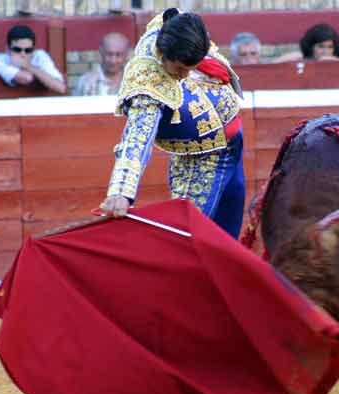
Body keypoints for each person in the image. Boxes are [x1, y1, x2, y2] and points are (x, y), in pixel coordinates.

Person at [99, 8, 246, 238]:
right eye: (180, 68)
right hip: (199, 162)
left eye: (192, 67)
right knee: (186, 241)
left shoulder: (181, 29)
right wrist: (121, 191)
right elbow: (137, 137)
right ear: (164, 54)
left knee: (228, 241)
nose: (186, 75)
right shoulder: (147, 79)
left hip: (234, 146)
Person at [0, 25, 66, 94]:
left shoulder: (39, 56)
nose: (23, 54)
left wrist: (28, 67)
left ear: (33, 50)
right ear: (7, 49)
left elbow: (60, 87)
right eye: (17, 49)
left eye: (28, 50)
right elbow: (27, 78)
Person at [73, 32, 129, 96]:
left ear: (126, 55)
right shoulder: (85, 82)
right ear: (101, 52)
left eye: (118, 55)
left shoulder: (134, 81)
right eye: (109, 54)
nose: (113, 61)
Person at [272, 23, 339, 63]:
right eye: (321, 46)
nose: (326, 51)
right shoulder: (299, 58)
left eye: (330, 47)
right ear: (311, 47)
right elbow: (271, 65)